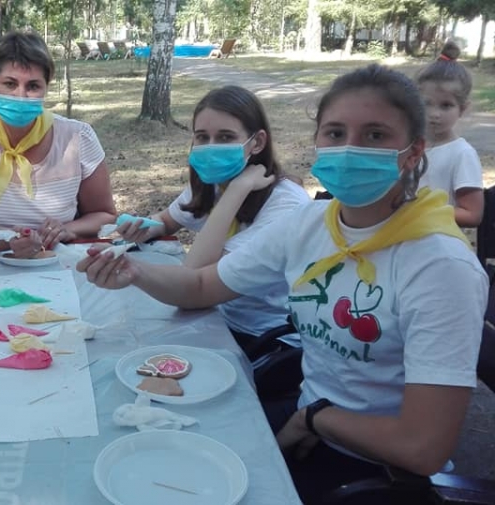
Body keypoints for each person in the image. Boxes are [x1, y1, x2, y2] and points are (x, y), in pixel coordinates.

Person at [77, 65, 487, 504]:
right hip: (309, 419)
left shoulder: (441, 266)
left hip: (376, 470)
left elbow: (422, 448)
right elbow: (199, 287)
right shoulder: (312, 223)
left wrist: (314, 419)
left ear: (413, 151)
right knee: (146, 448)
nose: (349, 149)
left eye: (374, 135)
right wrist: (135, 272)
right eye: (335, 133)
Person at [116, 85, 309, 353]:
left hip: (265, 338)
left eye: (225, 137)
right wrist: (145, 227)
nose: (210, 148)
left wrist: (238, 190)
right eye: (202, 137)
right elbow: (167, 219)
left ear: (257, 142)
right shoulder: (214, 182)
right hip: (215, 319)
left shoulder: (286, 205)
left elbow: (194, 278)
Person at [0, 31, 116, 258]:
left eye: (33, 86)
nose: (21, 95)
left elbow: (105, 215)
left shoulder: (78, 137)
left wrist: (68, 230)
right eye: (10, 84)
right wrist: (8, 239)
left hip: (59, 264)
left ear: (46, 87)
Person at [416, 41, 484, 227]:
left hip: (439, 240)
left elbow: (472, 215)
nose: (434, 114)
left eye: (446, 105)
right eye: (426, 103)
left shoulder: (462, 154)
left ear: (462, 109)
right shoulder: (407, 145)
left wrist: (420, 212)